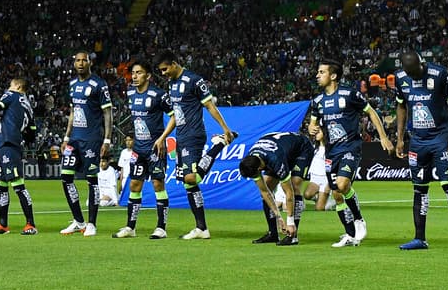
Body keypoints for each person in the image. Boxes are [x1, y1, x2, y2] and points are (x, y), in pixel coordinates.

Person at [308, 59, 393, 247]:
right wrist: (313, 130)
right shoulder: (317, 101)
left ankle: (359, 219)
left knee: (342, 184)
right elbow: (313, 125)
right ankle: (350, 235)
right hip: (331, 152)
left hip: (350, 147)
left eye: (321, 72)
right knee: (337, 195)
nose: (317, 75)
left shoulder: (349, 94)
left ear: (333, 76)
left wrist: (384, 137)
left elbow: (370, 112)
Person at [154, 50, 239, 240]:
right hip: (181, 136)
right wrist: (163, 136)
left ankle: (218, 144)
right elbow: (176, 115)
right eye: (160, 71)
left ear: (174, 63)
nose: (163, 73)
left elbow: (209, 105)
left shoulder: (193, 80)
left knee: (192, 178)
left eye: (165, 69)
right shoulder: (171, 84)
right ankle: (201, 228)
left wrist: (225, 128)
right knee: (188, 183)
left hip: (194, 135)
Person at [393, 50, 448, 251]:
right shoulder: (401, 79)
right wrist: (400, 138)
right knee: (419, 189)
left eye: (417, 71)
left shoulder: (440, 74)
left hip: (440, 138)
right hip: (417, 141)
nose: (414, 76)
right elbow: (401, 107)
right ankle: (419, 238)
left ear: (422, 62)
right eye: (410, 73)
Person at [112, 60, 173, 239]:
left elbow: (174, 117)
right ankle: (131, 227)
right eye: (133, 73)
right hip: (138, 149)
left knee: (157, 184)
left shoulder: (159, 94)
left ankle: (161, 227)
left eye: (139, 73)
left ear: (148, 76)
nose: (135, 76)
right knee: (134, 184)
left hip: (155, 149)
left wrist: (162, 139)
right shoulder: (130, 93)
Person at [60, 51, 113, 237]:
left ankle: (92, 223)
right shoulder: (73, 84)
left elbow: (108, 113)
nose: (80, 63)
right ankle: (78, 221)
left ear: (90, 63)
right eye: (77, 60)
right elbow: (73, 112)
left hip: (92, 139)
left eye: (84, 60)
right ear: (74, 63)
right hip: (74, 139)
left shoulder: (99, 84)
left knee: (92, 181)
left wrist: (107, 139)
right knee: (65, 178)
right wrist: (66, 137)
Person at [238, 129, 317, 246]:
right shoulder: (251, 160)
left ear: (259, 169)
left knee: (294, 186)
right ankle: (273, 233)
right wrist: (279, 217)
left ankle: (292, 235)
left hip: (301, 149)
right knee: (267, 186)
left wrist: (289, 221)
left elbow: (288, 193)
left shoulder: (276, 160)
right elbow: (265, 191)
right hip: (280, 149)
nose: (256, 178)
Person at [0, 74, 38, 235]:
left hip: (8, 143)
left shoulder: (11, 95)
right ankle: (3, 224)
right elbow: (32, 134)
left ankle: (31, 224)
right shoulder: (28, 105)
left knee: (18, 185)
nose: (8, 88)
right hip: (10, 145)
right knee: (1, 186)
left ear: (18, 87)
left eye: (11, 85)